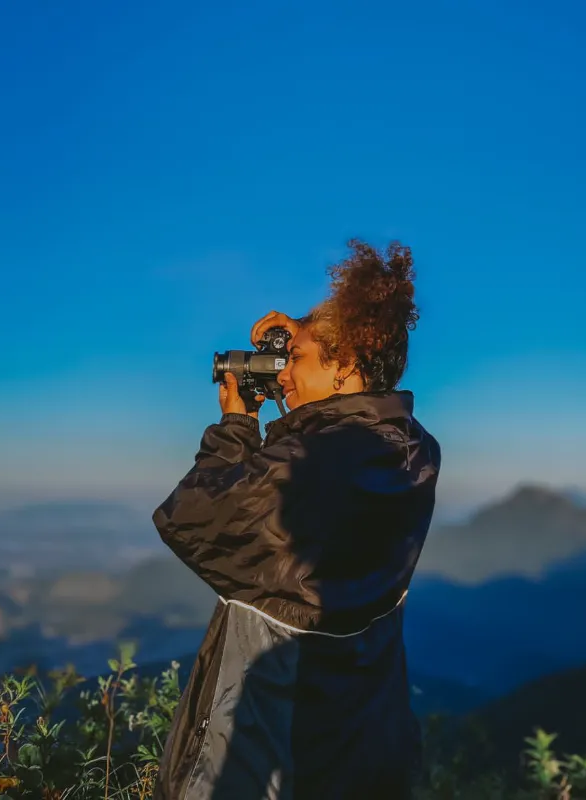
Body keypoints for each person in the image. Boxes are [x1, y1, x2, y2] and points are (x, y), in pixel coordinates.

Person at [152, 240, 441, 800]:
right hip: (359, 749)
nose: (282, 374)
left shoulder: (315, 464)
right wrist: (307, 331)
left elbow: (193, 515)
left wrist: (236, 425)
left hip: (265, 763)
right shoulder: (412, 450)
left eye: (296, 359)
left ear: (346, 364)